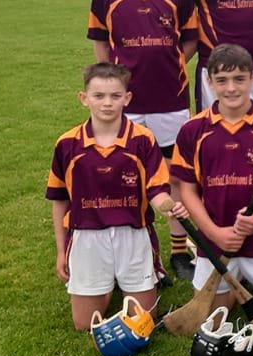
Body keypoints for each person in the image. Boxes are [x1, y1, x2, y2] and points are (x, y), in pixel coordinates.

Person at [87, 0, 199, 283]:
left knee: (175, 178)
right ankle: (141, 256)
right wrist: (112, 83)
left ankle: (180, 251)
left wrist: (173, 64)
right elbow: (101, 42)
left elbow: (191, 39)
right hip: (126, 104)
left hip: (171, 100)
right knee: (126, 177)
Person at [46, 63, 189, 330]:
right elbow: (59, 200)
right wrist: (61, 250)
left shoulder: (143, 139)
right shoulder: (67, 143)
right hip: (87, 236)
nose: (107, 103)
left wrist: (169, 207)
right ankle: (106, 283)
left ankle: (121, 280)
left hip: (132, 234)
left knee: (144, 320)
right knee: (84, 324)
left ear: (127, 98)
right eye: (98, 96)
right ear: (84, 98)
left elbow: (156, 190)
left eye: (115, 96)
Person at [171, 43, 253, 317]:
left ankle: (242, 279)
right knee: (210, 319)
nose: (231, 88)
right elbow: (187, 189)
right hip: (214, 241)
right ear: (209, 82)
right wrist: (213, 233)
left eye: (239, 79)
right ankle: (234, 281)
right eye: (222, 80)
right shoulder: (193, 130)